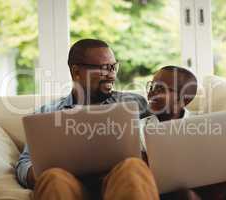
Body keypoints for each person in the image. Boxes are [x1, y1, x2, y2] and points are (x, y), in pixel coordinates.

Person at [15, 39, 160, 200]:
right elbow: (24, 163)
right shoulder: (46, 114)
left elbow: (160, 146)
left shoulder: (133, 103)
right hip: (72, 186)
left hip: (118, 183)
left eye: (113, 66)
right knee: (53, 177)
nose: (112, 74)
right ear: (76, 72)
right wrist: (40, 171)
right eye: (104, 68)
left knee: (133, 167)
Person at [142, 65, 226, 200]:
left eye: (161, 88)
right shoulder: (138, 128)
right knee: (184, 195)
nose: (152, 92)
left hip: (211, 188)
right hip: (167, 190)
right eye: (152, 86)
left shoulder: (207, 124)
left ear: (185, 99)